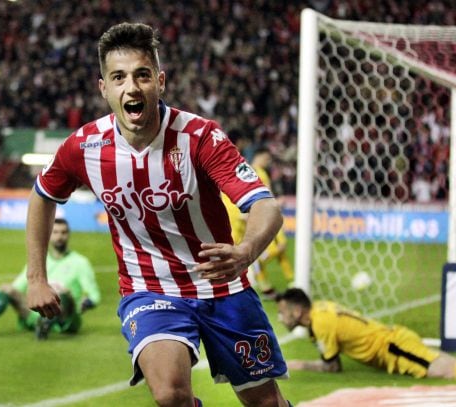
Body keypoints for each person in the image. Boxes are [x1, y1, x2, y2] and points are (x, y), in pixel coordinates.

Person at [25, 22, 292, 407]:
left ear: (160, 82)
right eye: (118, 78)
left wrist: (246, 251)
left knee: (265, 403)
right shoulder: (84, 147)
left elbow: (265, 204)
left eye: (142, 76)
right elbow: (42, 195)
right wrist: (36, 277)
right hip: (148, 288)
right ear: (104, 89)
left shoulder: (200, 137)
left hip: (223, 289)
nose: (131, 88)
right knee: (170, 395)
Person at [276, 287, 456, 379]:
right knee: (454, 365)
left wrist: (298, 364)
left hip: (395, 349)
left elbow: (331, 367)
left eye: (283, 313)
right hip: (395, 341)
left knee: (451, 371)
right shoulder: (320, 309)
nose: (280, 318)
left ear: (297, 311)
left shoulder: (321, 324)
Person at [0, 218, 101, 340]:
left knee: (63, 293)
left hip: (66, 319)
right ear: (49, 235)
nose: (60, 236)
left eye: (63, 232)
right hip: (37, 315)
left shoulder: (80, 262)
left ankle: (46, 324)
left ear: (68, 235)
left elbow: (94, 295)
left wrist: (86, 303)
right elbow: (18, 286)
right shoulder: (39, 260)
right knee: (8, 289)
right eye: (56, 232)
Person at [249, 148, 294, 299]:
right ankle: (260, 262)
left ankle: (291, 280)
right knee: (280, 245)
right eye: (266, 158)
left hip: (266, 212)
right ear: (259, 156)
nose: (267, 162)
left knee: (282, 247)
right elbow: (264, 194)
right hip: (265, 214)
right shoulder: (257, 172)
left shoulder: (255, 171)